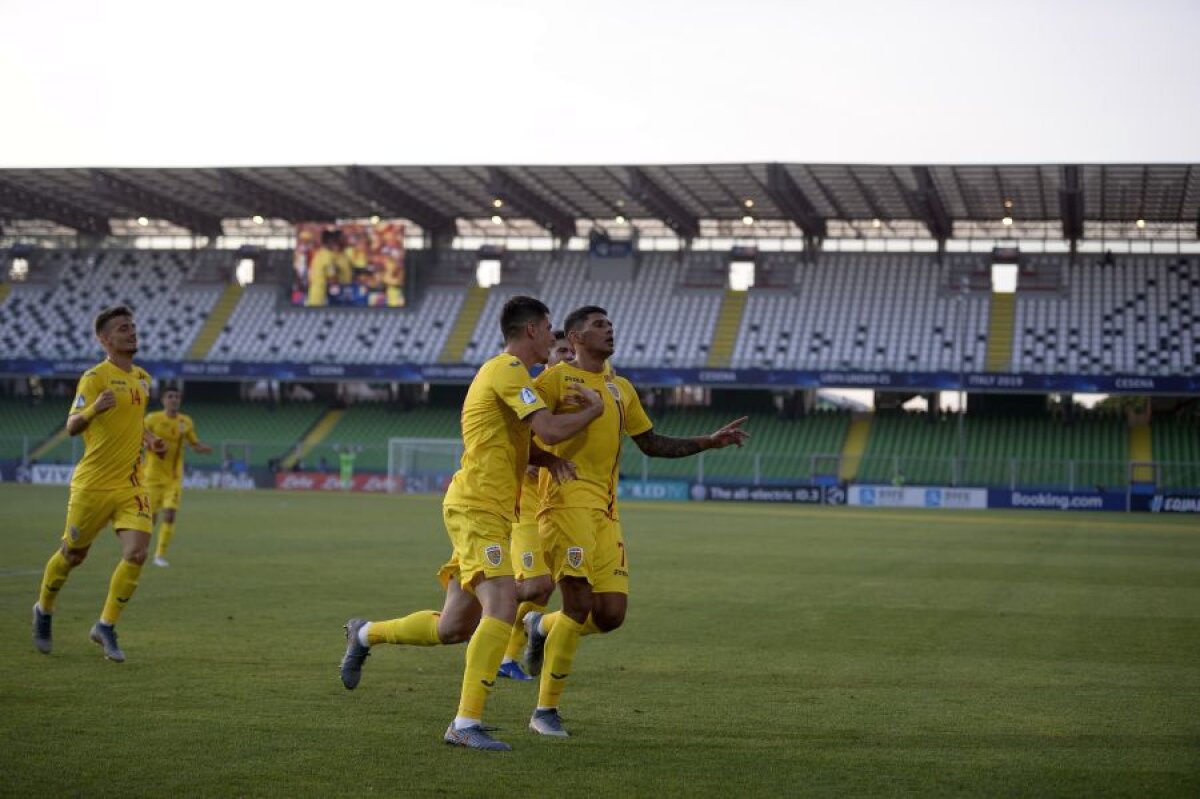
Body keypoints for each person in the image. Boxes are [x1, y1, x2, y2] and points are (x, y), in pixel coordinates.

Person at [338, 296, 605, 752]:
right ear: (532, 331)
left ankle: (364, 633)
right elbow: (551, 429)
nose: (553, 340)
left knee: (454, 627)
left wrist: (544, 460)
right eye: (548, 331)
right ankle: (465, 722)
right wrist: (594, 410)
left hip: (492, 510)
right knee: (502, 603)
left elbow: (517, 439)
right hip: (477, 506)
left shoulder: (514, 376)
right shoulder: (507, 370)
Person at [522, 305, 748, 737]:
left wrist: (710, 441)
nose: (609, 331)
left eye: (610, 325)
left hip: (607, 512)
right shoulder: (553, 381)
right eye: (599, 326)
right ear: (574, 338)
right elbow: (527, 433)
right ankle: (544, 712)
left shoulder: (621, 388)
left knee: (610, 614)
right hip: (565, 507)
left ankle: (539, 625)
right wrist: (545, 460)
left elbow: (651, 443)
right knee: (578, 604)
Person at [31, 306, 167, 663]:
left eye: (133, 327)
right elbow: (73, 425)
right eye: (124, 328)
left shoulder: (143, 378)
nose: (132, 332)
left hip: (131, 485)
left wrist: (150, 438)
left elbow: (133, 421)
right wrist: (94, 410)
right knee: (73, 555)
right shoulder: (94, 378)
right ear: (105, 339)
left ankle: (105, 625)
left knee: (137, 553)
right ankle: (44, 609)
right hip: (92, 485)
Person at [498, 329, 575, 681]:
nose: (569, 358)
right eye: (562, 351)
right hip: (526, 510)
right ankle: (485, 598)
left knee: (546, 589)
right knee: (532, 586)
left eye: (573, 353)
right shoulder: (532, 394)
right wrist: (530, 457)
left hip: (557, 509)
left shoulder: (573, 395)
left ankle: (507, 656)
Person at [143, 386, 213, 567]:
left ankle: (159, 555)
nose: (174, 399)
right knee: (150, 518)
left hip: (173, 478)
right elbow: (141, 437)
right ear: (163, 400)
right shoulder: (152, 419)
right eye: (170, 396)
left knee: (170, 514)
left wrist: (202, 448)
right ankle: (140, 550)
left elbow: (194, 443)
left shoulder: (185, 422)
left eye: (177, 397)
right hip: (151, 476)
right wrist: (150, 445)